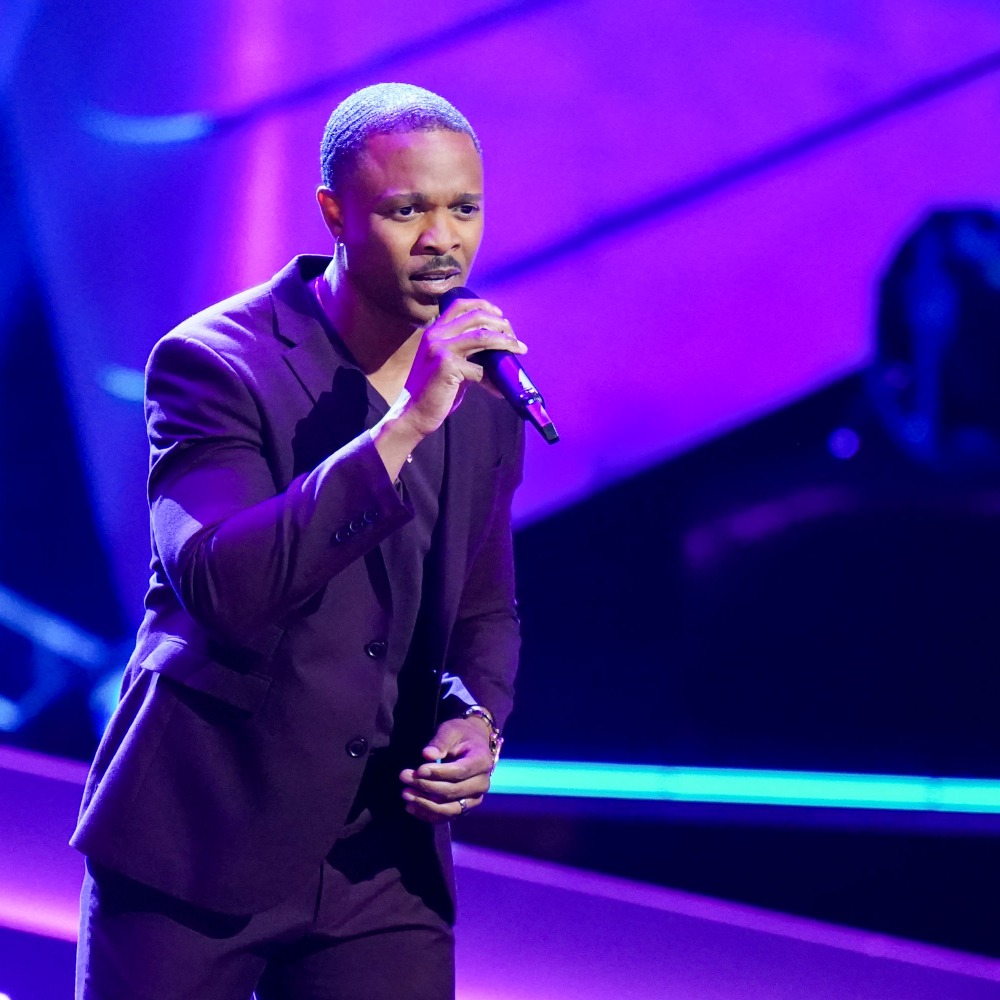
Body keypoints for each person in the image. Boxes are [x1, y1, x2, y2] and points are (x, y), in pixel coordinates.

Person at [72, 82, 526, 1000]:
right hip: (201, 835)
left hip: (380, 862)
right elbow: (223, 583)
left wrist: (478, 719)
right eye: (407, 210)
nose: (442, 239)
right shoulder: (214, 364)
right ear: (335, 213)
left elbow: (485, 605)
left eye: (464, 208)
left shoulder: (481, 393)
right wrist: (404, 426)